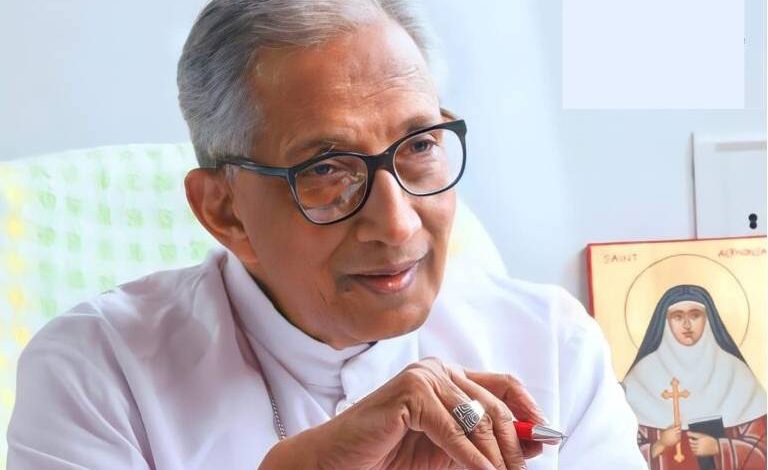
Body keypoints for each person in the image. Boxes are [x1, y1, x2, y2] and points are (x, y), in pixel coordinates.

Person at [7, 1, 646, 469]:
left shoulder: (552, 345)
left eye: (420, 145)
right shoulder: (97, 373)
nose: (397, 223)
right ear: (224, 211)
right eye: (327, 170)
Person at [624, 284, 767, 469]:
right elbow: (615, 451)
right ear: (666, 321)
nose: (687, 325)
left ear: (707, 319)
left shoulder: (737, 374)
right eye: (678, 317)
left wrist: (719, 448)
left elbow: (762, 447)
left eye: (695, 315)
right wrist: (659, 445)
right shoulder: (640, 379)